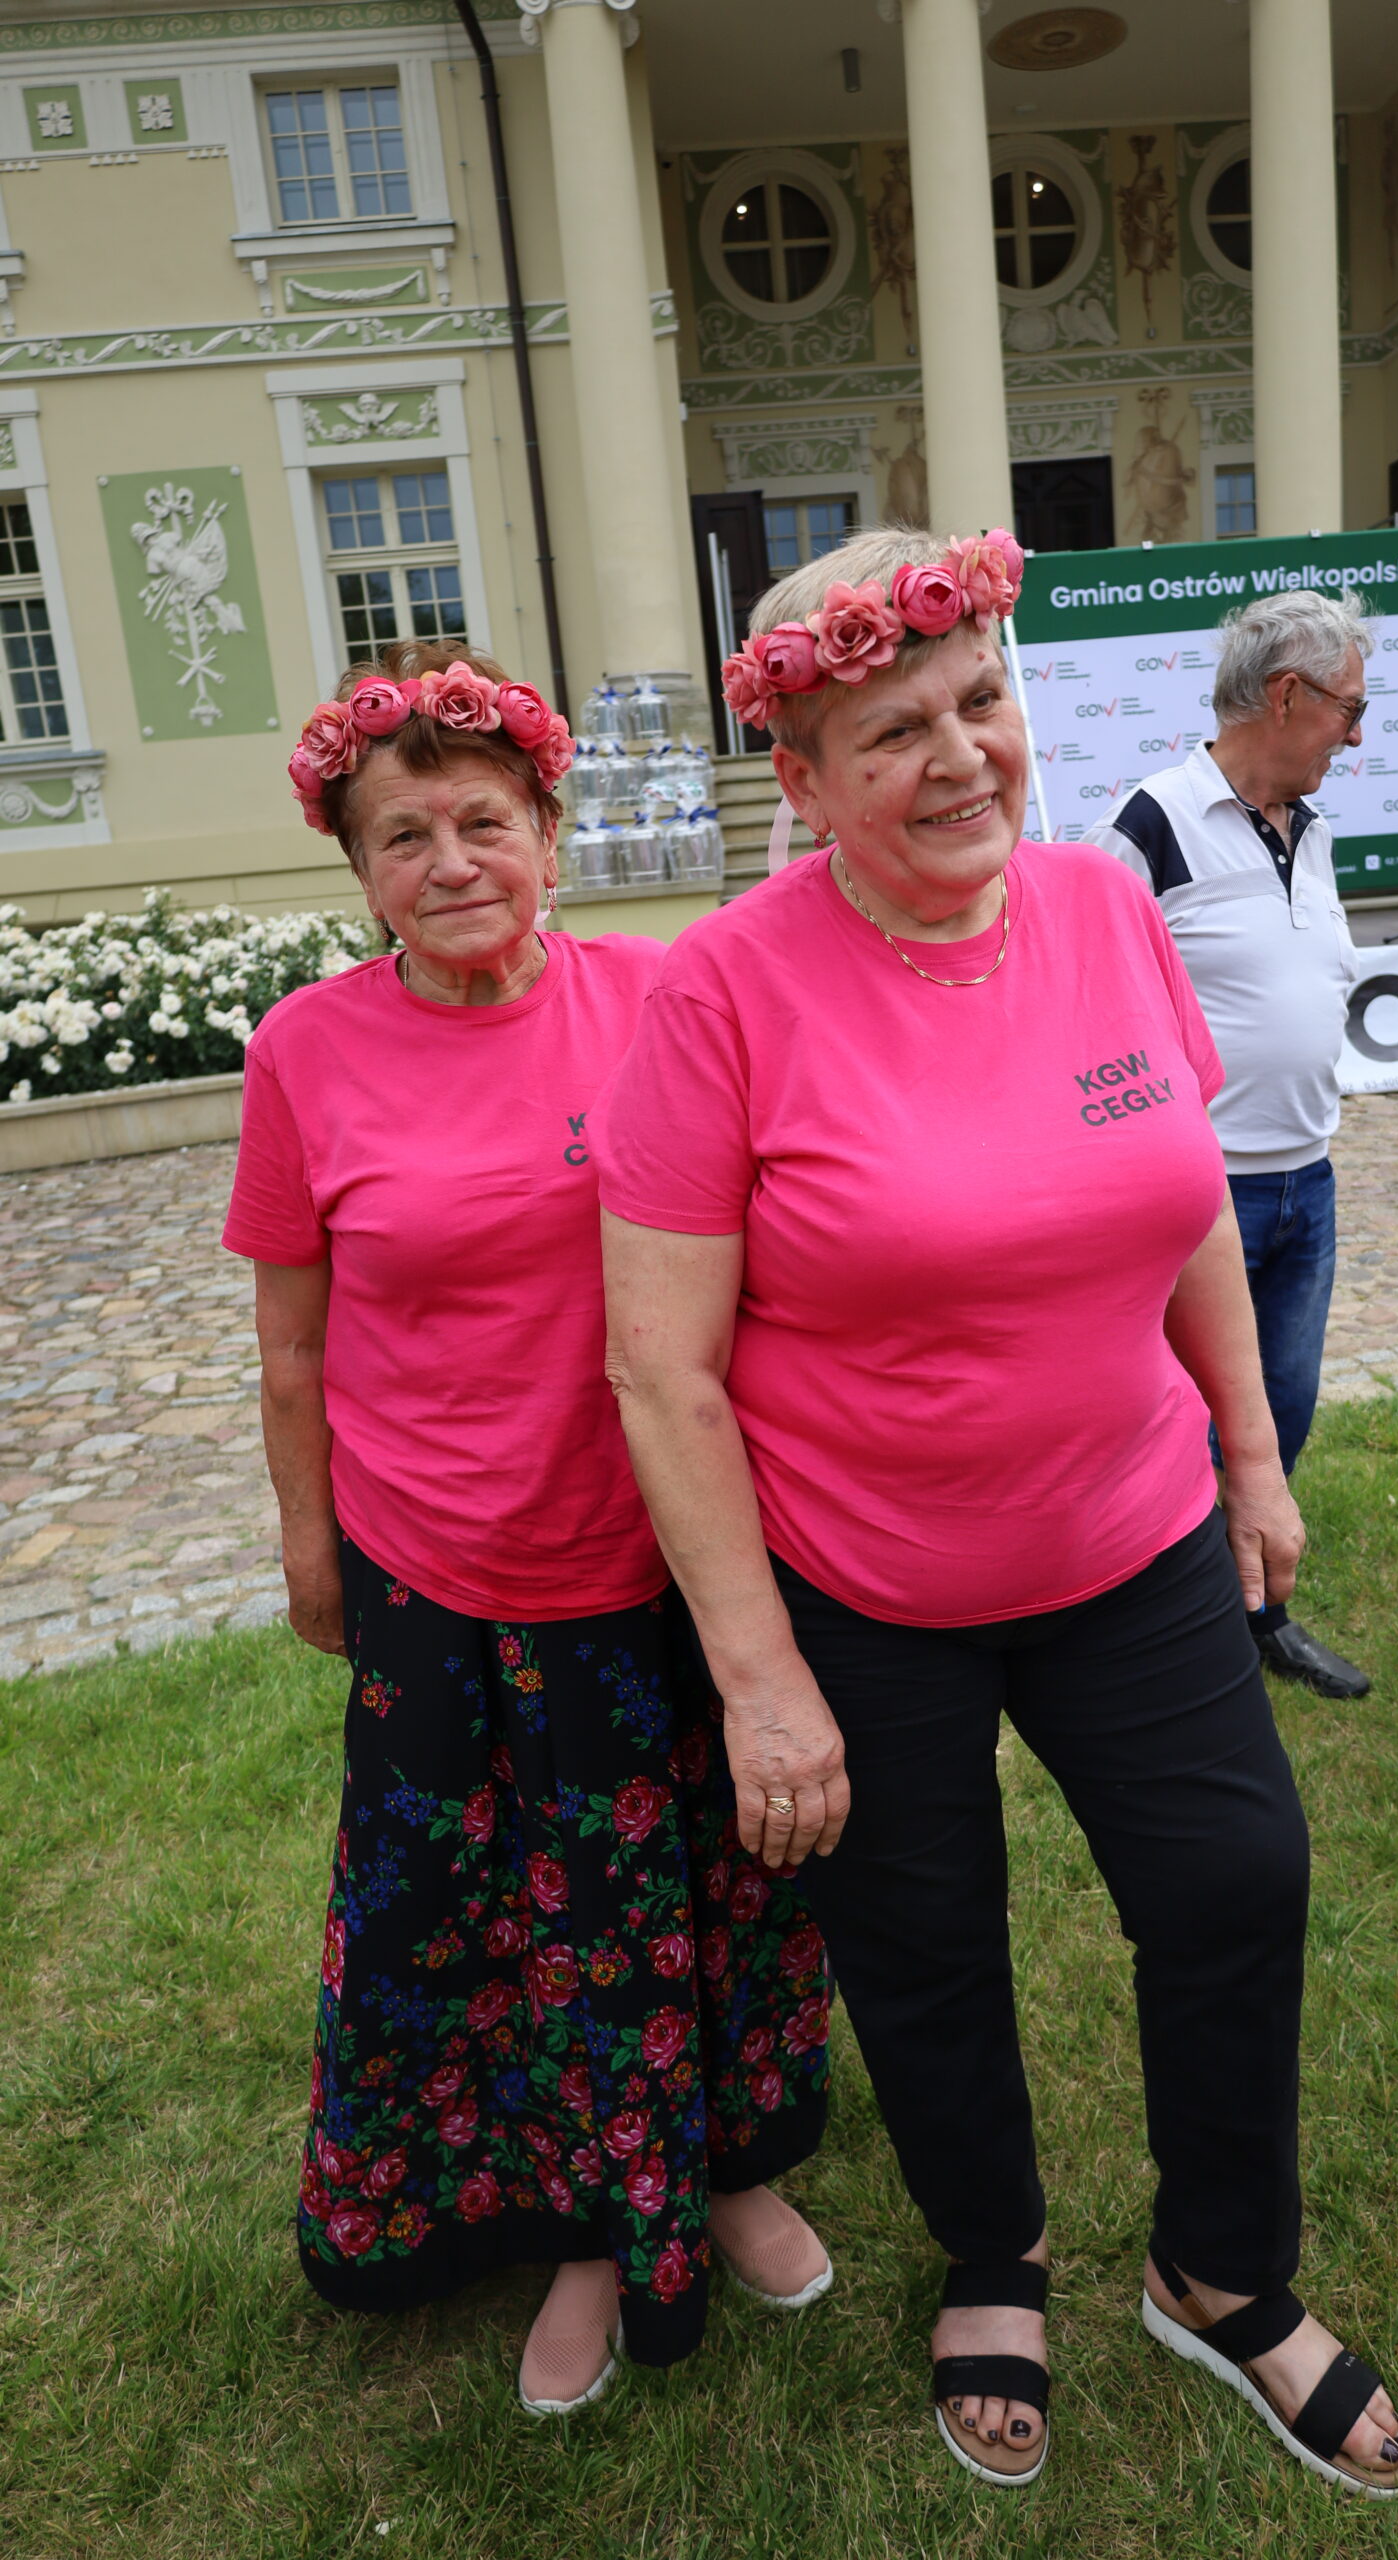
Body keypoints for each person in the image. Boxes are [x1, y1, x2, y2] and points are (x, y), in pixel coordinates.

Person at [595, 531, 1398, 2497]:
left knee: (1235, 1880)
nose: (961, 755)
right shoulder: (718, 995)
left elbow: (1185, 1198)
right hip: (866, 1582)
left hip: (1127, 1532)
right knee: (924, 1935)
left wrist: (1246, 1451)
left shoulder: (1099, 905)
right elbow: (663, 1372)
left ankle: (1219, 2268)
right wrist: (759, 1675)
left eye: (981, 700)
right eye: (894, 731)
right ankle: (994, 2252)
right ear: (800, 777)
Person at [222, 641, 831, 2418]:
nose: (450, 862)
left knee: (703, 1875)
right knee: (484, 1915)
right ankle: (570, 2220)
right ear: (360, 873)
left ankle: (724, 2161)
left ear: (551, 837)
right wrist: (311, 1548)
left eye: (483, 821)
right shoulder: (305, 1054)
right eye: (402, 836)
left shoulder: (662, 1001)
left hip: (666, 1552)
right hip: (441, 1574)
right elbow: (291, 1347)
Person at [1083, 592, 1370, 1698]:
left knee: (1276, 1417)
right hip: (1195, 1200)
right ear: (1287, 696)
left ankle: (1258, 1619)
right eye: (1349, 709)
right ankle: (1181, 1640)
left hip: (1308, 1181)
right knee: (1175, 1433)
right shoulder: (1150, 823)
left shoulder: (1315, 829)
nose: (1357, 735)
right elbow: (1082, 1004)